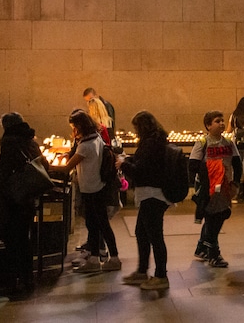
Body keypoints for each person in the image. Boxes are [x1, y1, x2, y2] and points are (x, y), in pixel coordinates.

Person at [54, 110, 122, 274]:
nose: (73, 131)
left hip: (92, 189)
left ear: (79, 126)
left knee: (101, 225)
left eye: (74, 127)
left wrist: (45, 165)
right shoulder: (95, 137)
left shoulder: (86, 145)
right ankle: (93, 258)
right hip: (94, 187)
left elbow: (66, 169)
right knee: (93, 225)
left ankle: (114, 258)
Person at [0, 112, 50, 298]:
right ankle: (28, 279)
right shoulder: (31, 141)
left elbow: (4, 174)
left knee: (12, 241)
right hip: (28, 198)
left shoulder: (9, 143)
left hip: (13, 199)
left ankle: (12, 283)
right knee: (25, 239)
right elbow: (44, 165)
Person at [119, 111, 172, 290]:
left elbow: (142, 170)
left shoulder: (151, 143)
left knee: (155, 236)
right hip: (151, 193)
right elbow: (145, 162)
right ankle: (142, 271)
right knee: (141, 232)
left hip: (153, 194)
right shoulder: (156, 141)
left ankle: (161, 276)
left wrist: (123, 165)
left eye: (136, 128)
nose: (135, 132)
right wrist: (130, 159)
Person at [190, 110, 241, 268]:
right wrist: (209, 173)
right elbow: (192, 165)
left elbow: (237, 163)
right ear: (208, 125)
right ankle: (214, 254)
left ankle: (202, 247)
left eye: (222, 120)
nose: (221, 123)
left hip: (224, 187)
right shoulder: (203, 143)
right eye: (217, 121)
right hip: (208, 188)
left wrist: (236, 183)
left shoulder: (228, 143)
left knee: (219, 216)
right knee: (213, 217)